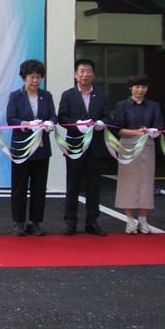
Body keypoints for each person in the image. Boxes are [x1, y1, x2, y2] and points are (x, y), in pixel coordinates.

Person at [57, 58, 110, 237]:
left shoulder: (101, 95)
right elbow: (62, 118)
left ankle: (92, 222)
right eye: (81, 71)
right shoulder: (68, 95)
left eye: (88, 71)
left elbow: (108, 117)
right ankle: (70, 222)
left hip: (95, 147)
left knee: (93, 187)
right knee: (73, 185)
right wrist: (76, 124)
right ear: (75, 74)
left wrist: (103, 122)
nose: (85, 74)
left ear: (93, 75)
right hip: (75, 146)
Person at [6, 59, 57, 237]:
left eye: (38, 77)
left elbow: (53, 116)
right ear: (24, 78)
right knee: (19, 186)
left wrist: (50, 123)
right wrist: (27, 124)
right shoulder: (15, 96)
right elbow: (10, 119)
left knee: (39, 186)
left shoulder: (46, 96)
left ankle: (35, 222)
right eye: (31, 77)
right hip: (21, 147)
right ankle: (19, 221)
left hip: (41, 149)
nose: (35, 81)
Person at [114, 73, 163, 235]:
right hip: (128, 146)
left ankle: (143, 219)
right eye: (137, 87)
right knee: (128, 182)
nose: (140, 90)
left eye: (143, 87)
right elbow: (118, 129)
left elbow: (159, 126)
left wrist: (153, 131)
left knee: (146, 182)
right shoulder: (122, 105)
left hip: (147, 145)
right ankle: (130, 220)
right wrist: (136, 132)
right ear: (130, 88)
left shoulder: (154, 106)